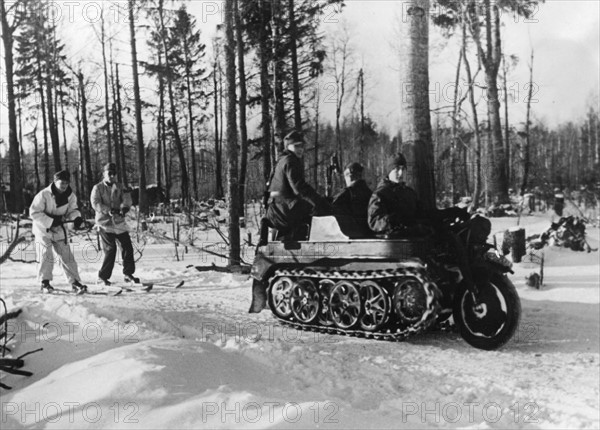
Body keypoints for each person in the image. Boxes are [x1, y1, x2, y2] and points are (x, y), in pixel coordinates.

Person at [29, 170, 87, 293]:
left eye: (67, 183)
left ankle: (74, 281)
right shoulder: (44, 194)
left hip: (59, 228)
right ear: (55, 182)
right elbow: (34, 212)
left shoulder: (70, 195)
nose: (64, 185)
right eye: (62, 182)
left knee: (66, 254)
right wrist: (50, 221)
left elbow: (73, 210)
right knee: (46, 253)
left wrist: (76, 218)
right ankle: (44, 282)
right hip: (43, 229)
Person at [265, 131, 331, 240]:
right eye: (297, 146)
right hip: (285, 211)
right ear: (288, 146)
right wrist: (320, 202)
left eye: (302, 146)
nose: (301, 149)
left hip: (277, 210)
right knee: (322, 212)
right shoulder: (290, 161)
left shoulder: (281, 160)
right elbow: (299, 188)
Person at [91, 162, 138, 285]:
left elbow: (127, 199)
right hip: (105, 223)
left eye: (114, 174)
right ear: (104, 174)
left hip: (119, 223)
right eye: (109, 173)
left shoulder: (120, 186)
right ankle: (102, 277)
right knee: (111, 249)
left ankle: (128, 274)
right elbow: (95, 203)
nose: (112, 176)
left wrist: (124, 208)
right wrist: (108, 210)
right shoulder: (98, 188)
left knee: (127, 247)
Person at [368, 153, 422, 236]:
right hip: (394, 241)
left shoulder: (410, 193)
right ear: (389, 171)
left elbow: (420, 214)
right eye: (397, 169)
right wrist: (394, 220)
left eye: (403, 169)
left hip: (412, 236)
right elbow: (375, 222)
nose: (401, 173)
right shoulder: (380, 194)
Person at [332, 162, 372, 236]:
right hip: (368, 234)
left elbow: (331, 208)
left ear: (349, 176)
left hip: (350, 235)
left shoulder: (347, 193)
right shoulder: (370, 193)